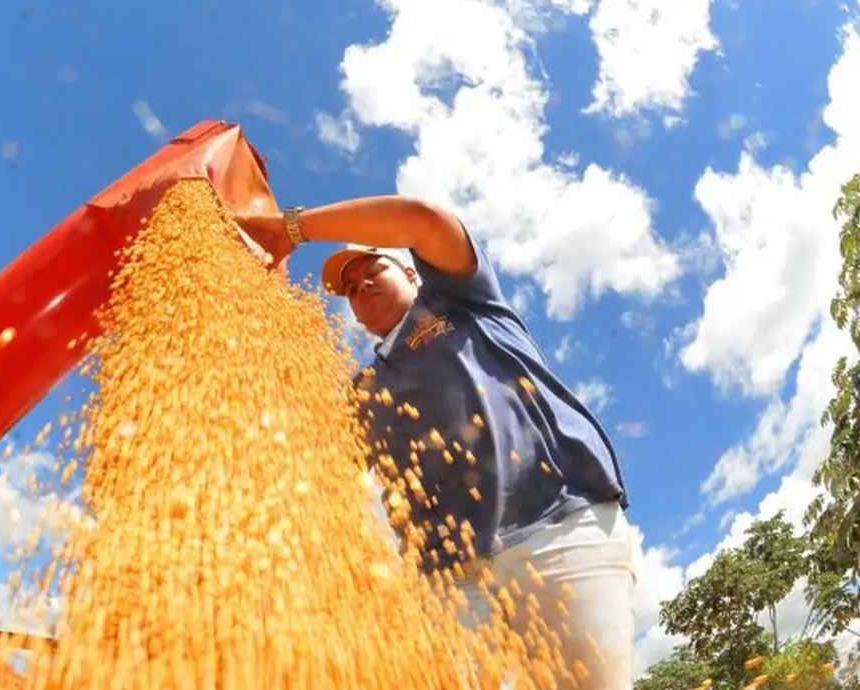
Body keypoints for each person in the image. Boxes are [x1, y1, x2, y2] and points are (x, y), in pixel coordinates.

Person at [235, 196, 637, 690]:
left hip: (553, 525)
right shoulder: (362, 392)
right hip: (447, 578)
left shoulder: (467, 303)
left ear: (409, 271)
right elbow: (307, 460)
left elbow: (423, 222)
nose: (358, 286)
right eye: (349, 290)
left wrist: (290, 230)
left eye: (369, 270)